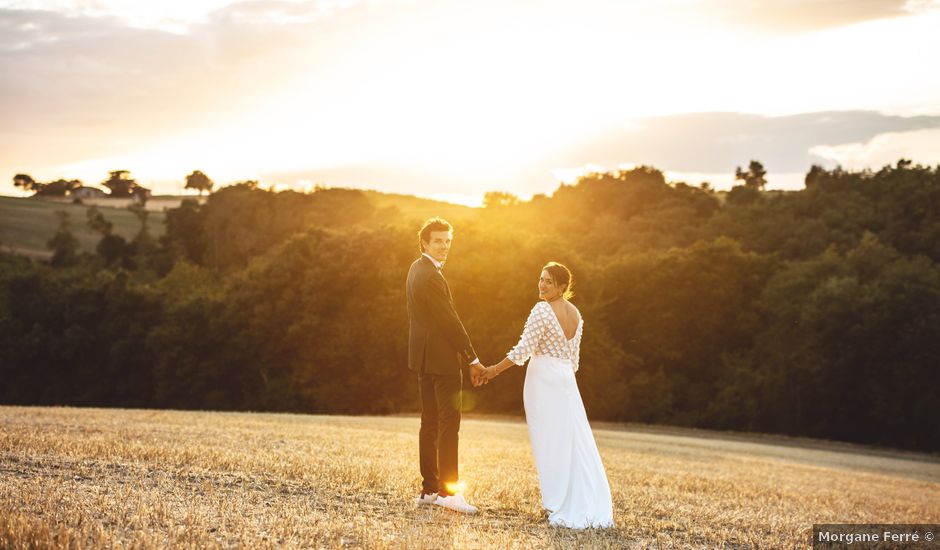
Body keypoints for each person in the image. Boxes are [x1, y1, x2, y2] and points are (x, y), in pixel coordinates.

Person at [479, 262, 614, 529]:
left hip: (543, 379)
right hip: (566, 380)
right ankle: (575, 499)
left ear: (562, 287)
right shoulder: (576, 314)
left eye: (549, 282)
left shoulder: (542, 310)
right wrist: (565, 381)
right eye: (541, 279)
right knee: (572, 439)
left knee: (549, 441)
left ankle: (557, 502)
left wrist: (493, 370)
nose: (542, 285)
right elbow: (574, 360)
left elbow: (523, 350)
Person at [406, 217, 487, 514]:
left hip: (423, 358)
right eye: (438, 241)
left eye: (448, 241)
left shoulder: (416, 269)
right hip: (440, 360)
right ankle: (448, 492)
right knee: (448, 423)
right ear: (424, 242)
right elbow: (450, 321)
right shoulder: (432, 276)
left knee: (428, 422)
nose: (444, 247)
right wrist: (472, 358)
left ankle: (429, 489)